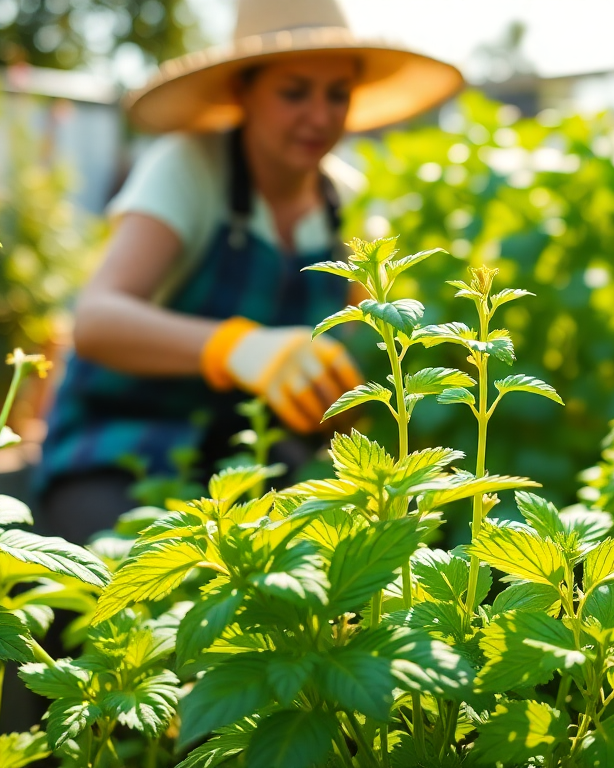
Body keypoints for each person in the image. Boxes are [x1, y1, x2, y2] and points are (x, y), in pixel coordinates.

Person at [37, 0, 463, 543]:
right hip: (120, 442)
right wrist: (235, 348)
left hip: (249, 452)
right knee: (130, 572)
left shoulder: (346, 203)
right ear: (244, 91)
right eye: (294, 93)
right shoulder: (190, 166)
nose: (320, 117)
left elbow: (356, 344)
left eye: (337, 94)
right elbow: (97, 320)